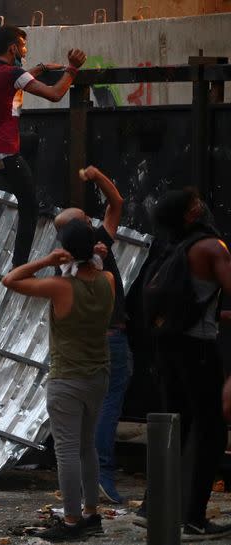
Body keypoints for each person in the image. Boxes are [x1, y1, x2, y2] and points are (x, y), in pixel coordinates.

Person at [3, 220, 115, 541]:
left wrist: (46, 261)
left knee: (66, 451)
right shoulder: (107, 279)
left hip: (67, 377)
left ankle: (70, 521)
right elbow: (96, 269)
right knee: (86, 446)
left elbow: (10, 279)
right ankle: (92, 514)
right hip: (98, 375)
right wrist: (93, 256)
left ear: (66, 251)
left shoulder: (61, 287)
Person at [141, 188, 231, 539]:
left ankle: (153, 508)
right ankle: (194, 518)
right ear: (190, 215)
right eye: (195, 205)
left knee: (173, 425)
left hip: (169, 347)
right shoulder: (212, 247)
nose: (202, 206)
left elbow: (194, 302)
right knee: (211, 430)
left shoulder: (175, 249)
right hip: (198, 350)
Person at [0, 25, 86, 267]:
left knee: (31, 141)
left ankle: (32, 185)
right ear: (13, 48)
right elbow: (55, 94)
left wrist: (43, 68)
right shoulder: (14, 74)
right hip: (1, 153)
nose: (25, 49)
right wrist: (73, 69)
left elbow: (17, 78)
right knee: (29, 207)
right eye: (23, 45)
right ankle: (19, 266)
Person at [54, 166, 130, 504]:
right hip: (109, 338)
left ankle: (88, 487)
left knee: (84, 421)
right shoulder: (98, 247)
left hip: (75, 351)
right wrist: (97, 176)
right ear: (84, 226)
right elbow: (117, 203)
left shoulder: (62, 266)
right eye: (86, 220)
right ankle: (102, 474)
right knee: (109, 404)